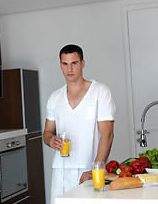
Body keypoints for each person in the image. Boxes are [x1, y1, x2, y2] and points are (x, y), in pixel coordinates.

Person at [43, 44, 116, 204]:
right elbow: (47, 131)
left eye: (74, 63)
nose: (69, 69)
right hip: (60, 171)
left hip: (88, 169)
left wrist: (96, 170)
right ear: (60, 66)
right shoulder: (55, 97)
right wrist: (50, 140)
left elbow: (107, 134)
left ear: (82, 63)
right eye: (65, 64)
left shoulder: (100, 92)